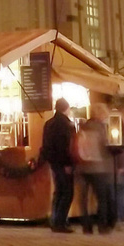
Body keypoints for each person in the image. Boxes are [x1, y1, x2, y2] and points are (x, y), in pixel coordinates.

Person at [73, 103, 115, 234]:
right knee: (101, 198)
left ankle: (86, 226)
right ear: (101, 114)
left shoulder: (82, 127)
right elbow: (104, 146)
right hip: (98, 167)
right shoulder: (100, 128)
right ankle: (102, 226)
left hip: (82, 166)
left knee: (83, 199)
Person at [39, 97, 75, 233]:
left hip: (53, 161)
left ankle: (54, 220)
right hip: (63, 162)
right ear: (66, 108)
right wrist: (68, 163)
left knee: (58, 191)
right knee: (67, 192)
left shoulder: (49, 123)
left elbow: (47, 145)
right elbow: (66, 146)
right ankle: (60, 222)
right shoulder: (66, 124)